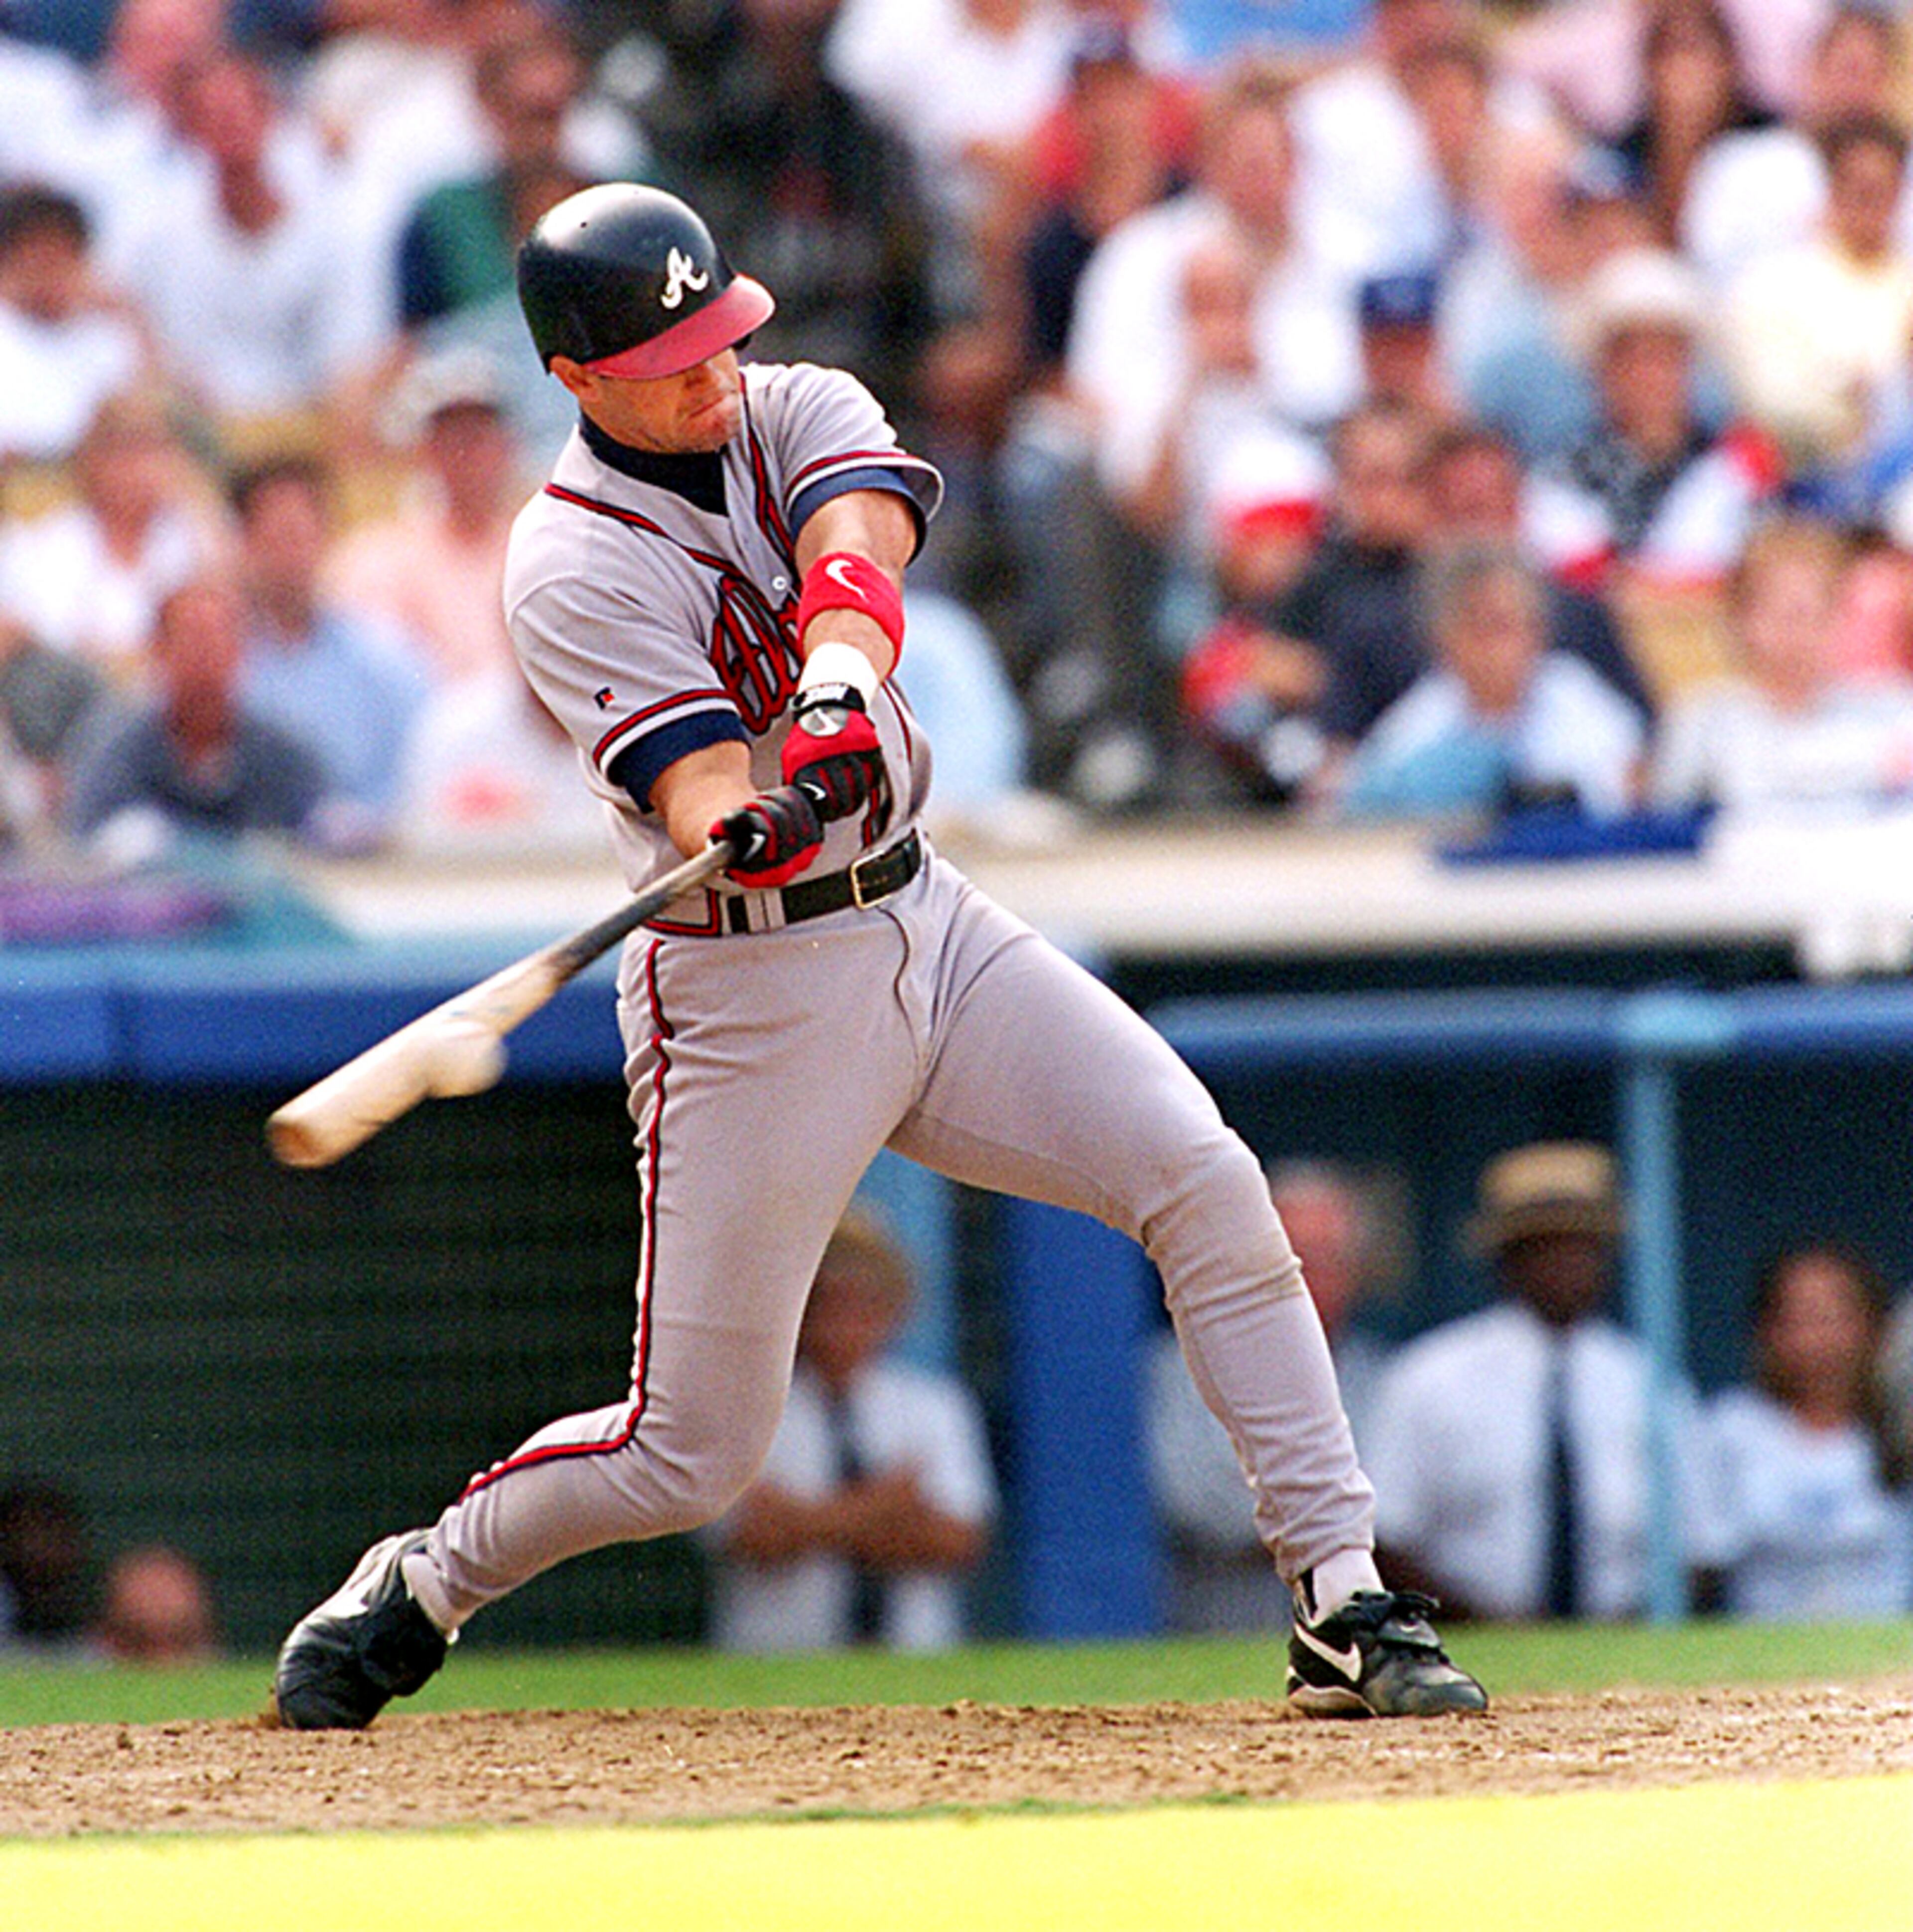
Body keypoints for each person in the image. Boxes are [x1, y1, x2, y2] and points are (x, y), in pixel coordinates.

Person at [271, 180, 1486, 1729]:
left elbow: (862, 531)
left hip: (932, 919)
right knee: (688, 1449)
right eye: (668, 358)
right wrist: (754, 809)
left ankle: (1337, 1593)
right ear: (573, 377)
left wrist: (839, 684)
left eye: (719, 335)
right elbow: (698, 789)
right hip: (747, 991)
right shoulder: (566, 563)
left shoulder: (787, 400)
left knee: (1204, 1177)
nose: (712, 373)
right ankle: (426, 1576)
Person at [1365, 1141, 1718, 1622]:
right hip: (1465, 1642)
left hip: (1625, 1644)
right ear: (1508, 1258)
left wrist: (1622, 1634)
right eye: (1544, 1247)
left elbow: (1702, 1551)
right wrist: (1485, 1627)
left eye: (1582, 1246)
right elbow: (1384, 1541)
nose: (1565, 1264)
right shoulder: (1430, 1377)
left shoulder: (1649, 1382)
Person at [706, 1211, 994, 1653]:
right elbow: (751, 1538)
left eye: (863, 1304)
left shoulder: (935, 1406)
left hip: (914, 1660)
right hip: (777, 1658)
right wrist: (885, 1505)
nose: (844, 1322)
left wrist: (802, 1520)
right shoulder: (742, 1410)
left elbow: (956, 1541)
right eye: (828, 1302)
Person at [1148, 1160, 1400, 1634]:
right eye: (1292, 1259)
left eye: (1329, 1260)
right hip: (1212, 1630)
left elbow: (1401, 1515)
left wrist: (1300, 1513)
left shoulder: (1384, 1375)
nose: (1308, 1279)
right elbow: (1197, 1506)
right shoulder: (1177, 1368)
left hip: (1354, 1631)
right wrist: (1333, 1524)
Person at [1333, 542, 1645, 821]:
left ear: (1537, 630)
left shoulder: (1574, 695)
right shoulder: (1423, 719)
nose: (1495, 648)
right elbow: (1363, 806)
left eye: (1505, 625)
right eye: (1478, 628)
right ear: (1443, 639)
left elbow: (1630, 787)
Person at [1650, 517, 1913, 812]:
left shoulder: (1891, 708)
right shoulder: (1705, 718)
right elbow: (1667, 820)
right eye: (1782, 613)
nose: (1796, 631)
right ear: (1740, 617)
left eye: (1813, 613)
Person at [1708, 1242, 1911, 1620]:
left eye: (1834, 1317)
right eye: (1798, 1318)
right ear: (1766, 1331)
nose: (1817, 1339)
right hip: (1761, 1648)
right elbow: (1702, 1564)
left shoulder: (1899, 1427)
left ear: (1874, 1326)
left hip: (1887, 1648)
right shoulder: (1734, 1427)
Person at [64, 572, 331, 849]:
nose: (206, 654)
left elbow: (323, 840)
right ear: (158, 650)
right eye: (192, 639)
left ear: (243, 652)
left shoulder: (285, 759)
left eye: (220, 639)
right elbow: (86, 845)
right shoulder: (115, 752)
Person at [90, 1545, 219, 1663]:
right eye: (139, 1642)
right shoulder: (85, 1671)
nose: (162, 1660)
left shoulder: (219, 1671)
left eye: (180, 1640)